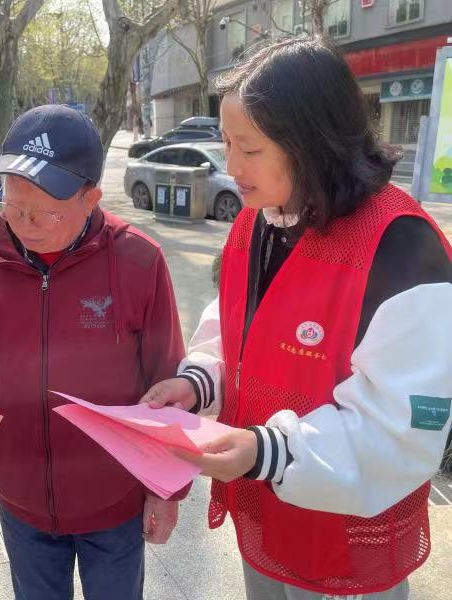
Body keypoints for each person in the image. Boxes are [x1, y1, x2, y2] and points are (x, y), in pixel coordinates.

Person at [141, 37, 452, 600]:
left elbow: (404, 430)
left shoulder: (401, 247)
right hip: (266, 514)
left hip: (348, 543)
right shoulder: (259, 220)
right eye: (226, 142)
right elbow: (238, 328)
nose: (231, 166)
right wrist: (199, 383)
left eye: (249, 148)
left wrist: (269, 451)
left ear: (312, 143)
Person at [0, 104, 187, 600]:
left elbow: (167, 382)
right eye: (12, 205)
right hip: (22, 499)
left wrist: (166, 490)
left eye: (44, 211)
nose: (25, 223)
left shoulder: (139, 261)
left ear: (91, 198)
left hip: (114, 500)